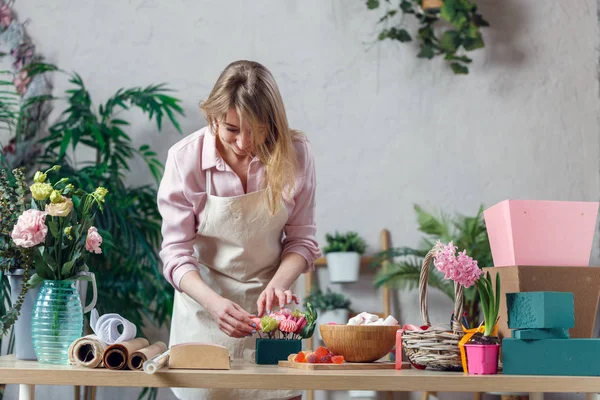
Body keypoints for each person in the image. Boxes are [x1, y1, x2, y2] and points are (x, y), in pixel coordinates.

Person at [157, 60, 321, 400]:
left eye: (256, 129)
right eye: (232, 129)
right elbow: (175, 254)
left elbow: (302, 240)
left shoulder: (296, 154)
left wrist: (278, 287)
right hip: (204, 310)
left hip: (274, 320)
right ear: (213, 117)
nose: (244, 142)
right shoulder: (185, 160)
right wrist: (215, 304)